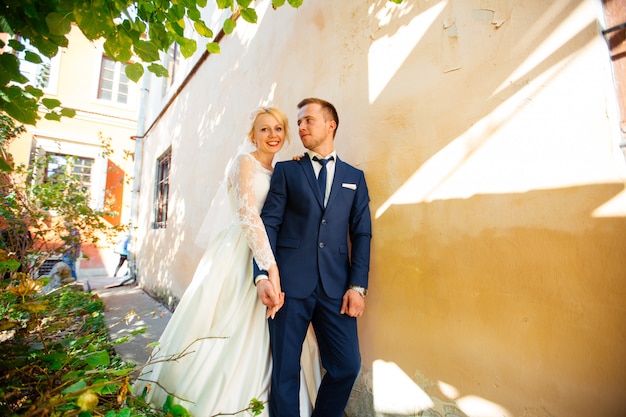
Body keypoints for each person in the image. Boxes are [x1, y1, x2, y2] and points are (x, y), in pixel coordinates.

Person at [133, 107, 321, 416]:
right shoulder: (243, 163)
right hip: (238, 252)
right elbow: (248, 215)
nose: (271, 135)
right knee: (226, 322)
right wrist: (269, 267)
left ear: (285, 135)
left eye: (277, 129)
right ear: (252, 135)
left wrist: (300, 171)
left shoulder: (282, 172)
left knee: (272, 329)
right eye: (264, 129)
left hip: (271, 254)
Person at [254, 98, 372, 417]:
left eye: (308, 120)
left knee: (347, 366)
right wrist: (263, 274)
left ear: (330, 125)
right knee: (285, 371)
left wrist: (357, 286)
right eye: (300, 122)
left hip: (337, 289)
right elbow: (269, 224)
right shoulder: (287, 170)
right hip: (288, 286)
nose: (301, 127)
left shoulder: (354, 177)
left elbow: (361, 234)